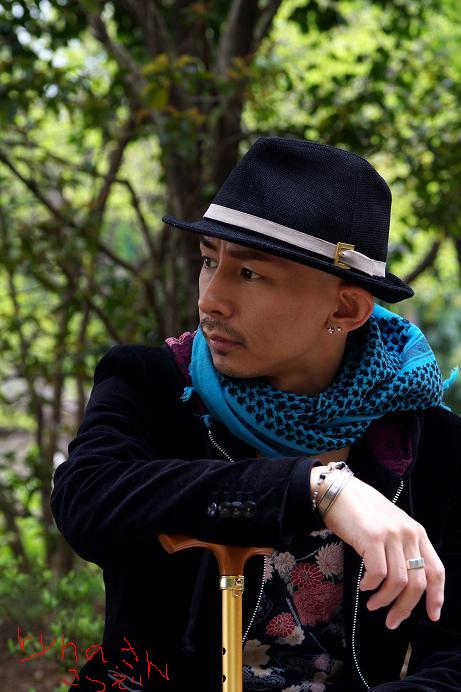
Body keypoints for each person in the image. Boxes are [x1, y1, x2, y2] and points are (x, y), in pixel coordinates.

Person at [50, 137, 461, 691]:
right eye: (208, 261)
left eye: (249, 274)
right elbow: (86, 502)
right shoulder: (152, 384)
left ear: (344, 307)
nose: (210, 300)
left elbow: (454, 657)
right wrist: (316, 489)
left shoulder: (427, 441)